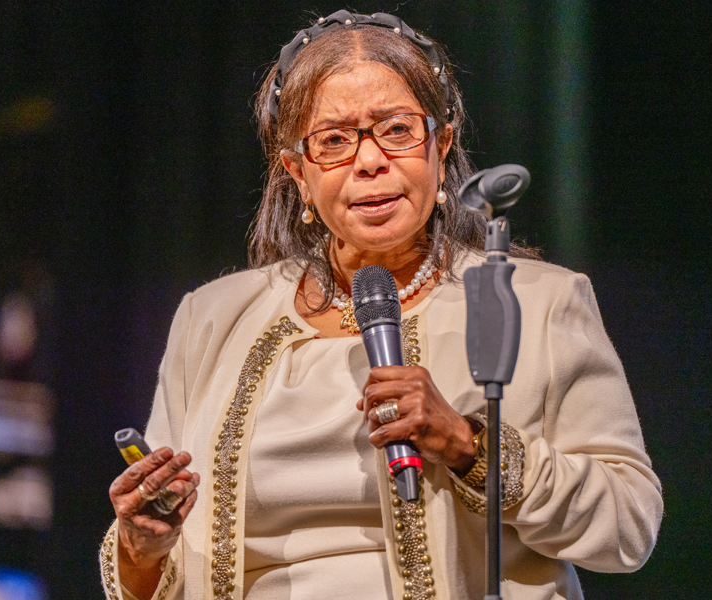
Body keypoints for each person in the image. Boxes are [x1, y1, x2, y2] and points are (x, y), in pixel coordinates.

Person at [100, 10, 662, 600]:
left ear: (441, 146)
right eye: (335, 141)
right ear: (296, 172)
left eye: (396, 130)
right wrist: (142, 545)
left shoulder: (536, 301)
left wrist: (470, 446)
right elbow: (154, 576)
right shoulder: (210, 319)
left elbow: (629, 527)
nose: (370, 160)